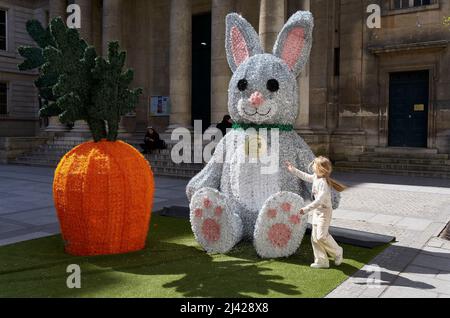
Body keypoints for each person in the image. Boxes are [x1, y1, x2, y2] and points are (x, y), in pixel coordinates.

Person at [285, 156, 347, 269]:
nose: (312, 166)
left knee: (321, 236)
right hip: (317, 212)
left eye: (314, 164)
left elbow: (319, 201)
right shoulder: (315, 177)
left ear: (320, 168)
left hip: (324, 212)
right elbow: (304, 176)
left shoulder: (323, 183)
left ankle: (338, 251)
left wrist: (305, 209)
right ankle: (321, 261)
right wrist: (292, 169)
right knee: (314, 237)